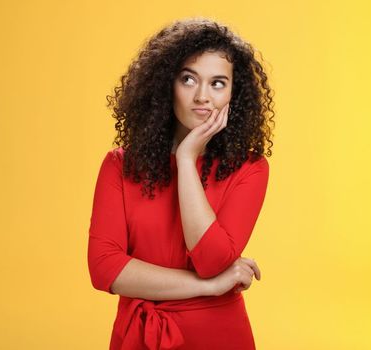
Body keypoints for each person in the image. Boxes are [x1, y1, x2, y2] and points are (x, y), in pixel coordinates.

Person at [88, 17, 275, 350]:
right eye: (189, 79)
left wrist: (187, 159)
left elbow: (211, 260)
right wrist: (208, 286)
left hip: (217, 336)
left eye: (218, 83)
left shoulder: (250, 168)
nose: (202, 96)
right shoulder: (119, 165)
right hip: (137, 337)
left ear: (234, 93)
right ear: (166, 85)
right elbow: (105, 270)